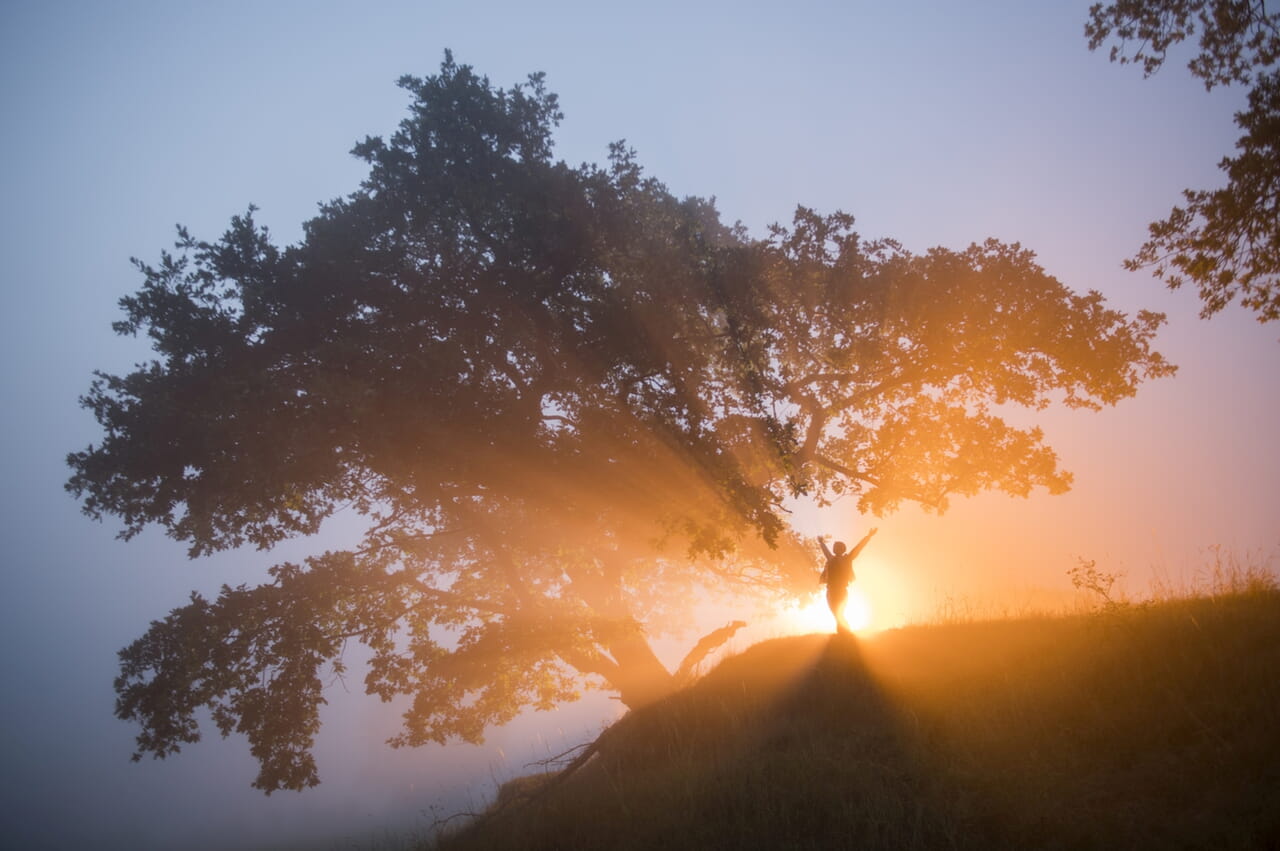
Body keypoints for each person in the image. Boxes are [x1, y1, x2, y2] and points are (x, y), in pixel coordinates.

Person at [819, 528, 877, 634]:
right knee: (834, 611)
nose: (835, 548)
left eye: (837, 547)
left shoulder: (847, 559)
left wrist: (868, 536)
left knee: (838, 612)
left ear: (842, 549)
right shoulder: (830, 559)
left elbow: (858, 548)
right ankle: (843, 631)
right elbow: (825, 551)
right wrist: (821, 543)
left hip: (841, 589)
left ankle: (844, 632)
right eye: (834, 547)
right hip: (830, 590)